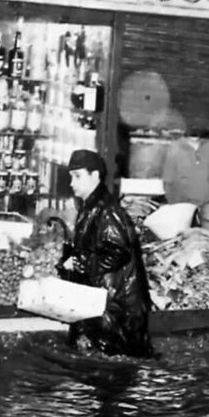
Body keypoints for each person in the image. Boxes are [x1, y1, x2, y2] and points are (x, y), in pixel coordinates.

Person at [59, 149, 153, 358]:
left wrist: (79, 262)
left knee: (113, 370)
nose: (72, 183)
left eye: (77, 176)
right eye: (70, 177)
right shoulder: (93, 208)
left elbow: (117, 252)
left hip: (117, 307)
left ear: (95, 176)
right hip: (107, 303)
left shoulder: (107, 211)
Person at [161, 124, 209, 231]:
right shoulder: (175, 147)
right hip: (182, 209)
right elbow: (168, 180)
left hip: (207, 208)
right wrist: (175, 206)